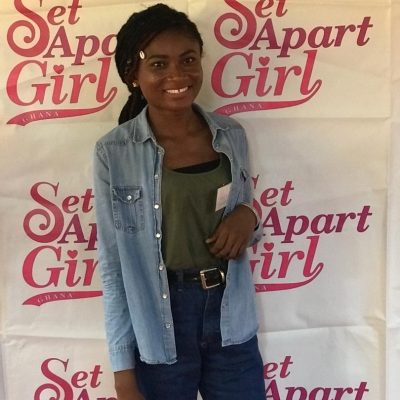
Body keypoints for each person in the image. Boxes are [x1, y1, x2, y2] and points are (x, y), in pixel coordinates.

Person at [93, 3, 265, 399]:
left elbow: (243, 215)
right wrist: (123, 371)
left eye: (188, 60)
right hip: (160, 327)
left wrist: (249, 216)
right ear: (132, 74)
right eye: (158, 64)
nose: (177, 75)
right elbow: (114, 266)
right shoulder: (114, 153)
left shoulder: (231, 135)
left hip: (231, 319)